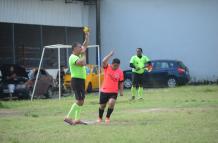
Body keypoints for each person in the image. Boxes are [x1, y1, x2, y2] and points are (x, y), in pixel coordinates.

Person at [64, 31, 89, 125]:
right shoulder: (73, 57)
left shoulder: (77, 55)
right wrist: (83, 54)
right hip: (76, 80)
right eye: (79, 47)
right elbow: (82, 63)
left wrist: (87, 37)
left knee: (81, 101)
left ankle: (77, 119)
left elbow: (85, 46)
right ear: (75, 48)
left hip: (80, 80)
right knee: (79, 101)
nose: (81, 48)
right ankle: (67, 117)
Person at [97, 50, 124, 124]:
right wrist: (110, 54)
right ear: (112, 64)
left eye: (117, 66)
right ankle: (100, 117)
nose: (116, 67)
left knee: (111, 103)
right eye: (115, 65)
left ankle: (107, 117)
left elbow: (121, 82)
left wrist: (121, 91)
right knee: (102, 106)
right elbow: (103, 61)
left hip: (114, 92)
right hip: (104, 91)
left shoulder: (120, 72)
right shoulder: (107, 67)